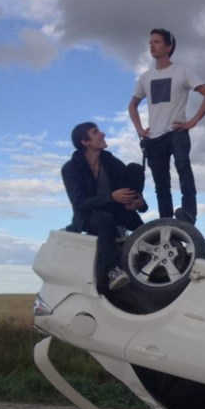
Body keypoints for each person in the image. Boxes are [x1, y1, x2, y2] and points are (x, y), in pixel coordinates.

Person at [128, 28, 205, 223]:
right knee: (161, 184)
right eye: (150, 42)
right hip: (154, 137)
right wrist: (140, 130)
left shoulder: (182, 71)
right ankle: (166, 222)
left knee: (183, 165)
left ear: (168, 47)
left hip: (177, 131)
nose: (152, 45)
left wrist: (192, 121)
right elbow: (132, 105)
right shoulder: (145, 77)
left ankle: (189, 213)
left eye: (157, 42)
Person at [62, 122, 148, 291]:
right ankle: (112, 272)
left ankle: (178, 249)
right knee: (104, 219)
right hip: (89, 216)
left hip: (116, 209)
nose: (102, 134)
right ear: (85, 142)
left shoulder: (108, 160)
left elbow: (127, 183)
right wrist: (110, 197)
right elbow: (79, 202)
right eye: (95, 132)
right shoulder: (70, 168)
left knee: (135, 169)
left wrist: (139, 203)